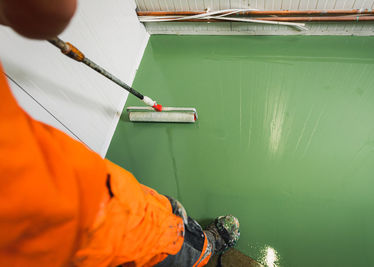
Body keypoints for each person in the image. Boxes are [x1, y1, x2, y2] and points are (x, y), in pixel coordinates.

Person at [0, 0, 240, 266]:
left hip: (83, 209)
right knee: (170, 238)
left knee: (160, 215)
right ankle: (206, 248)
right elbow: (54, 12)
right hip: (94, 227)